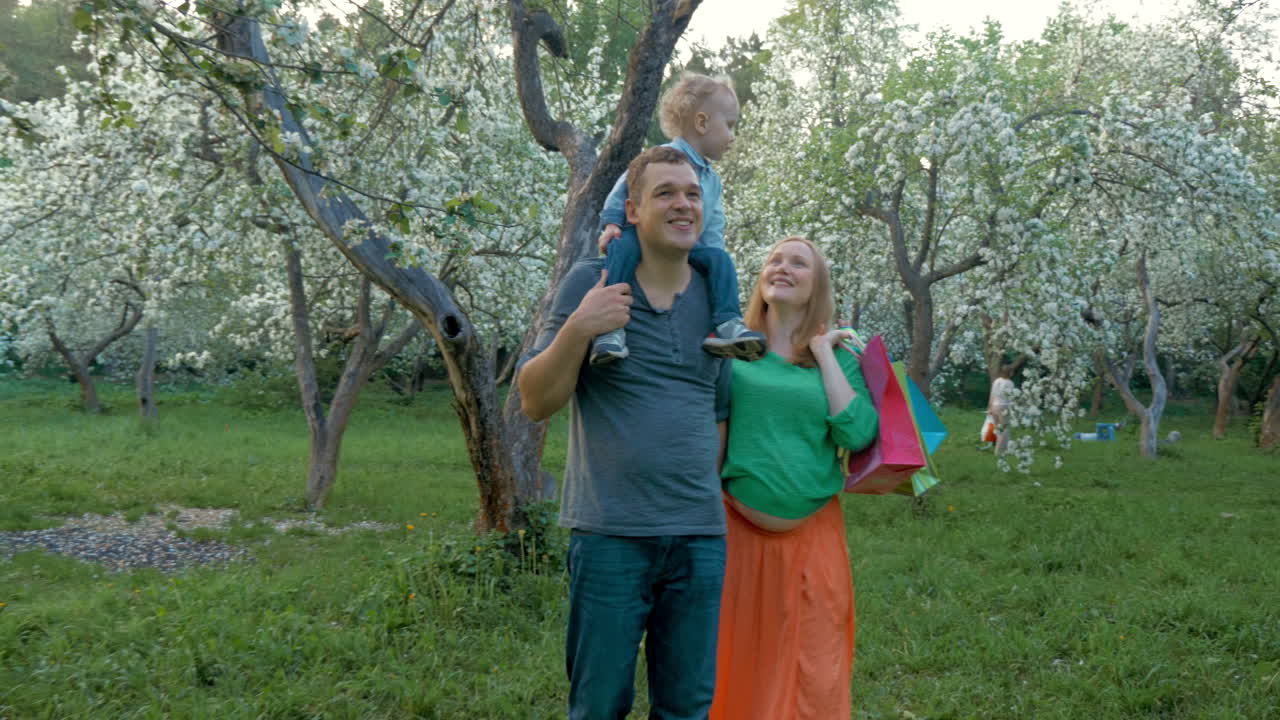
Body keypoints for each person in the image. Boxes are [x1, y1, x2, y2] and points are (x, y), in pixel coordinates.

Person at [518, 145, 732, 720]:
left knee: (687, 707)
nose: (683, 204)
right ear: (632, 210)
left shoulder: (719, 296)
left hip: (699, 539)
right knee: (598, 705)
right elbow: (536, 400)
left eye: (691, 193)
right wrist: (580, 329)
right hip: (611, 534)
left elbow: (721, 411)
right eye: (666, 193)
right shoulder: (593, 281)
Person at [710, 236, 879, 720]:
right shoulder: (733, 344)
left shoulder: (840, 357)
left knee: (814, 662)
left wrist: (824, 353)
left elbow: (860, 432)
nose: (782, 268)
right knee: (735, 657)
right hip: (734, 532)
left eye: (798, 263)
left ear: (817, 284)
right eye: (774, 260)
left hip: (813, 538)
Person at [590, 72, 765, 365]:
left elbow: (713, 226)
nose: (733, 136)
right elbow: (623, 191)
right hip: (645, 236)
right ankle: (611, 330)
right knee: (624, 249)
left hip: (689, 245)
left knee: (721, 260)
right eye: (730, 125)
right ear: (701, 122)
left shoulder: (712, 179)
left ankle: (726, 323)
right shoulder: (661, 157)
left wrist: (714, 259)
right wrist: (612, 224)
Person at [988, 366, 1015, 456]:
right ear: (1010, 373)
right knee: (1004, 429)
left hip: (995, 406)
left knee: (998, 429)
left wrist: (990, 408)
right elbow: (1011, 397)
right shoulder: (1010, 383)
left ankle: (1000, 449)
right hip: (1004, 407)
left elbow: (992, 395)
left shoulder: (996, 381)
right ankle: (1000, 451)